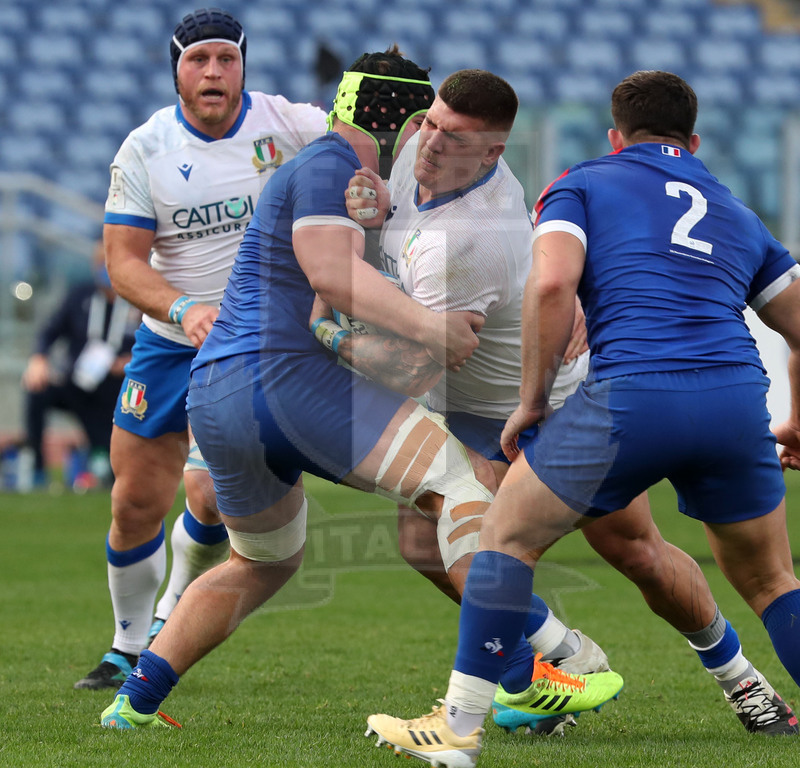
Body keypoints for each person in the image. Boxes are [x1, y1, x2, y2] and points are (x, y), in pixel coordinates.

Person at [98, 50, 623, 731]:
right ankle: (526, 675)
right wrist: (429, 327)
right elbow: (330, 273)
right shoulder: (330, 164)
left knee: (261, 562)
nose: (425, 139)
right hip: (286, 381)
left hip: (217, 392)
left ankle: (133, 703)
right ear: (402, 119)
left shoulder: (339, 170)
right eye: (422, 122)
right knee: (461, 487)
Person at [365, 69, 800, 766]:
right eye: (432, 126)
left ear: (615, 136)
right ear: (692, 142)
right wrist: (796, 420)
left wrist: (534, 403)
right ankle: (731, 682)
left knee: (505, 541)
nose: (434, 140)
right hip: (734, 398)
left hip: (617, 399)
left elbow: (551, 282)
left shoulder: (583, 183)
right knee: (770, 581)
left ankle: (463, 727)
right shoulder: (735, 211)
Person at [74, 8, 329, 690]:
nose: (213, 72)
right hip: (170, 338)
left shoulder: (292, 125)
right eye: (198, 60)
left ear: (244, 66)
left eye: (226, 59)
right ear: (176, 69)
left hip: (261, 342)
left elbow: (377, 149)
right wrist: (184, 309)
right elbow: (123, 263)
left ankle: (167, 620)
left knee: (212, 494)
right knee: (134, 501)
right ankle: (125, 645)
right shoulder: (145, 148)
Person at [20, 241, 136, 489]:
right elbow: (49, 331)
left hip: (115, 391)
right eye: (101, 263)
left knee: (109, 461)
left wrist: (131, 361)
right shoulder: (80, 296)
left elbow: (156, 343)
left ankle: (101, 471)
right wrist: (39, 359)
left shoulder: (138, 302)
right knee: (36, 392)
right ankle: (36, 469)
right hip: (77, 383)